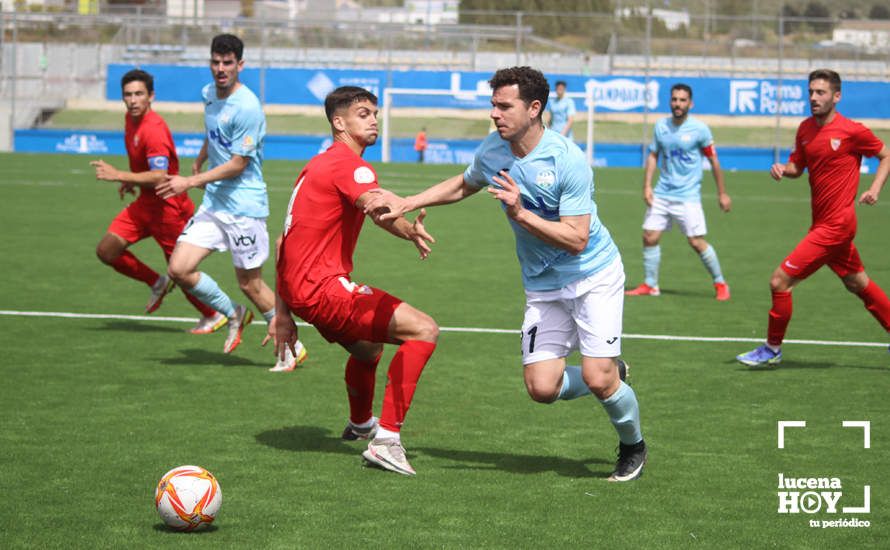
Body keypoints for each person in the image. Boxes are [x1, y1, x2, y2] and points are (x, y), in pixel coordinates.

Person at [364, 67, 647, 482]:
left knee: (597, 379)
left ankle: (632, 446)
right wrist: (408, 201)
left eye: (504, 106)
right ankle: (611, 370)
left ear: (534, 109)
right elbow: (466, 183)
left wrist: (520, 214)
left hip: (593, 276)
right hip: (542, 284)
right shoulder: (495, 148)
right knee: (542, 388)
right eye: (493, 105)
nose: (495, 114)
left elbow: (576, 240)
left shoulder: (567, 160)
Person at [269, 86, 438, 476]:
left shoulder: (318, 165)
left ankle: (362, 424)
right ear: (338, 122)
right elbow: (377, 205)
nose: (374, 119)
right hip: (323, 290)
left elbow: (284, 241)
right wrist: (407, 213)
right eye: (363, 113)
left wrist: (282, 313)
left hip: (300, 290)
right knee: (424, 330)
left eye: (374, 112)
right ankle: (387, 442)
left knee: (367, 350)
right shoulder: (350, 165)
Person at [157, 33, 307, 372]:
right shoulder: (208, 94)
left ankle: (292, 346)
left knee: (250, 283)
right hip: (214, 204)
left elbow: (238, 162)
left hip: (244, 209)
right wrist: (199, 158)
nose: (221, 69)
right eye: (216, 61)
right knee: (179, 268)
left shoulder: (248, 107)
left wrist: (190, 180)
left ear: (240, 65)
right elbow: (214, 134)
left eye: (228, 63)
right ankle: (233, 313)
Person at [736, 69, 890, 366]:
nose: (814, 98)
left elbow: (886, 154)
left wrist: (874, 188)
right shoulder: (805, 129)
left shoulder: (852, 131)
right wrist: (784, 169)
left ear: (836, 96)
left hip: (837, 226)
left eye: (820, 92)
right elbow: (798, 167)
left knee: (779, 281)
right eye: (811, 92)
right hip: (821, 223)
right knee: (857, 282)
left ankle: (771, 349)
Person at [92, 69, 225, 335]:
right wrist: (132, 180)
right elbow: (146, 171)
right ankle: (156, 283)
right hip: (145, 204)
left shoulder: (153, 130)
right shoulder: (131, 120)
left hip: (168, 209)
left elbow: (159, 175)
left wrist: (118, 174)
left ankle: (214, 314)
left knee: (180, 270)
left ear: (151, 96)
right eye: (128, 95)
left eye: (139, 94)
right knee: (107, 250)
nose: (133, 100)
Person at [625, 83, 732, 301]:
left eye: (682, 100)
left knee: (696, 242)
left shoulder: (700, 130)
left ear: (690, 103)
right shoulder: (661, 126)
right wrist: (647, 185)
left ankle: (720, 283)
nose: (678, 104)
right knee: (649, 236)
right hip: (663, 192)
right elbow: (654, 155)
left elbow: (713, 160)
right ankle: (651, 284)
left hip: (688, 196)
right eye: (674, 99)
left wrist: (722, 193)